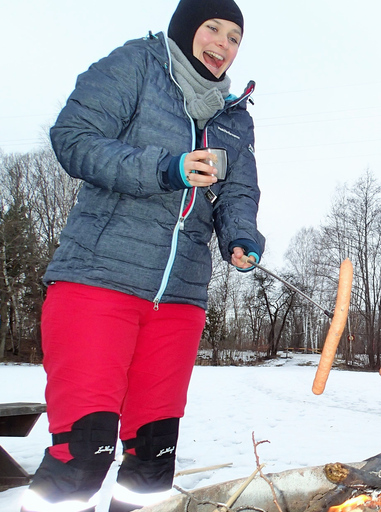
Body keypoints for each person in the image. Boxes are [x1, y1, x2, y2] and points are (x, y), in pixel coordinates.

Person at [20, 0, 264, 511]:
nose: (223, 44)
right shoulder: (137, 65)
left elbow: (238, 193)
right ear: (185, 28)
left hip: (179, 300)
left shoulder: (234, 117)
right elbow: (73, 139)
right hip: (98, 282)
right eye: (213, 29)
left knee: (154, 460)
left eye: (235, 38)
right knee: (84, 453)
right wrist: (165, 168)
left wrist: (240, 236)